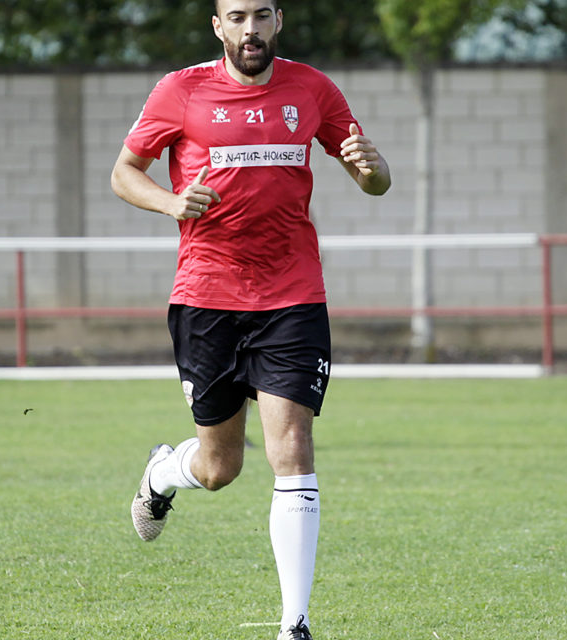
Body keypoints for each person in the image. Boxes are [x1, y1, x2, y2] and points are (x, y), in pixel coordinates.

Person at [109, 1, 390, 639]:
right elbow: (125, 173)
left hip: (293, 296)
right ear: (218, 26)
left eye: (261, 15)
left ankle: (295, 623)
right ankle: (162, 471)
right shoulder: (180, 90)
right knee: (220, 468)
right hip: (207, 298)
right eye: (237, 16)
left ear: (279, 20)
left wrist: (373, 170)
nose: (250, 28)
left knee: (292, 447)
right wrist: (174, 201)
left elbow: (372, 179)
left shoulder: (313, 88)